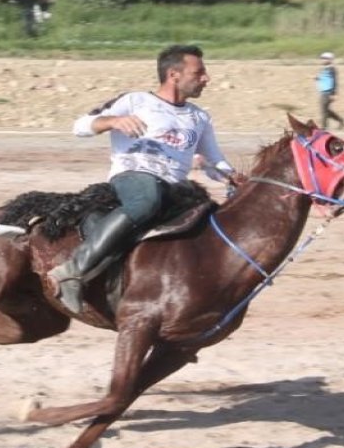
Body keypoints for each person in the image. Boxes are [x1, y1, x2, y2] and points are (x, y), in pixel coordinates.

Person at [49, 44, 245, 314]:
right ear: (174, 74)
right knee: (147, 199)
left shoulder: (199, 118)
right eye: (199, 72)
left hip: (174, 188)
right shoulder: (135, 101)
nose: (206, 78)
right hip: (134, 176)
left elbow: (214, 161)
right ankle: (72, 271)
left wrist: (231, 176)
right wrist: (112, 122)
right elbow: (80, 126)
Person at [316, 52, 344, 130]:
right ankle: (340, 120)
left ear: (330, 59)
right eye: (322, 58)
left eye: (325, 58)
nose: (323, 60)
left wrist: (334, 93)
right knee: (326, 110)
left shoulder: (332, 69)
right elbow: (324, 78)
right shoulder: (323, 68)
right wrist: (317, 78)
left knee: (324, 110)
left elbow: (335, 81)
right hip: (323, 92)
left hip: (328, 92)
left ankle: (323, 127)